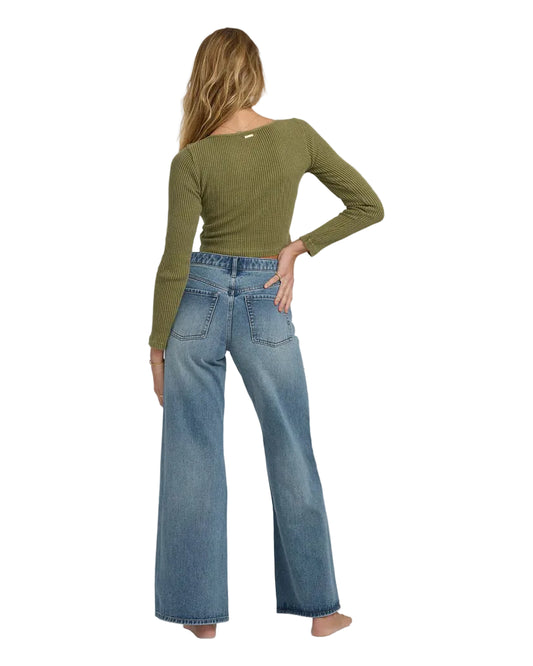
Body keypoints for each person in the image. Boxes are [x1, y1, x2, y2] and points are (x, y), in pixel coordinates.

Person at [148, 27, 384, 639]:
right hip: (266, 297)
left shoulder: (192, 158)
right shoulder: (295, 136)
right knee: (291, 447)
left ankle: (199, 619)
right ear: (253, 73)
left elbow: (174, 261)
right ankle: (322, 612)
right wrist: (296, 248)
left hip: (197, 299)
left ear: (203, 76)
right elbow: (368, 204)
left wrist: (156, 345)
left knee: (192, 455)